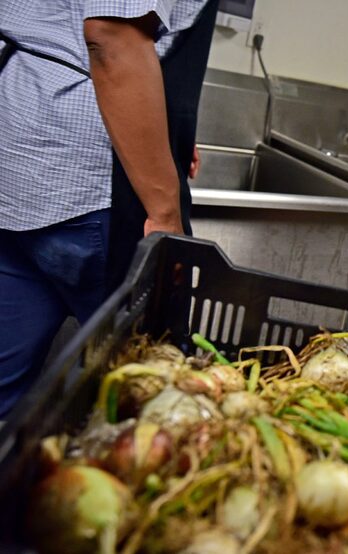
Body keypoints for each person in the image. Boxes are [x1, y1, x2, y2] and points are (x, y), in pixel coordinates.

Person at [0, 0, 219, 416]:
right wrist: (166, 215)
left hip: (17, 160)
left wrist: (161, 137)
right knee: (152, 395)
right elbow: (113, 38)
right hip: (90, 186)